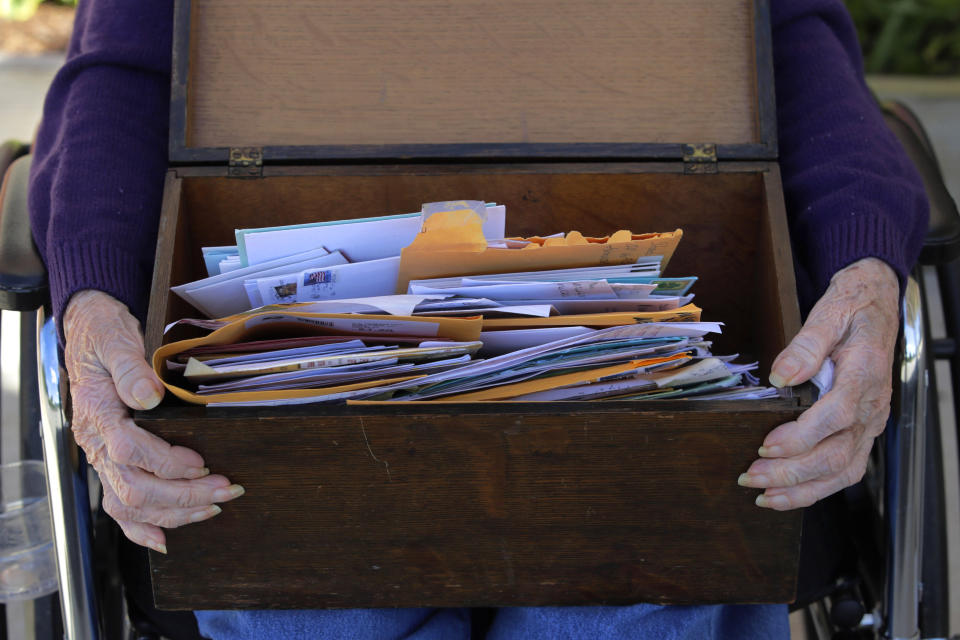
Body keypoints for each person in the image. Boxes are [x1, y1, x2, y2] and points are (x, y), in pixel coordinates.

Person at [27, 0, 928, 637]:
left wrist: (865, 261)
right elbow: (122, 71)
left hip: (636, 477)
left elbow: (797, 49)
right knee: (300, 584)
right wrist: (95, 298)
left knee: (651, 556)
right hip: (299, 492)